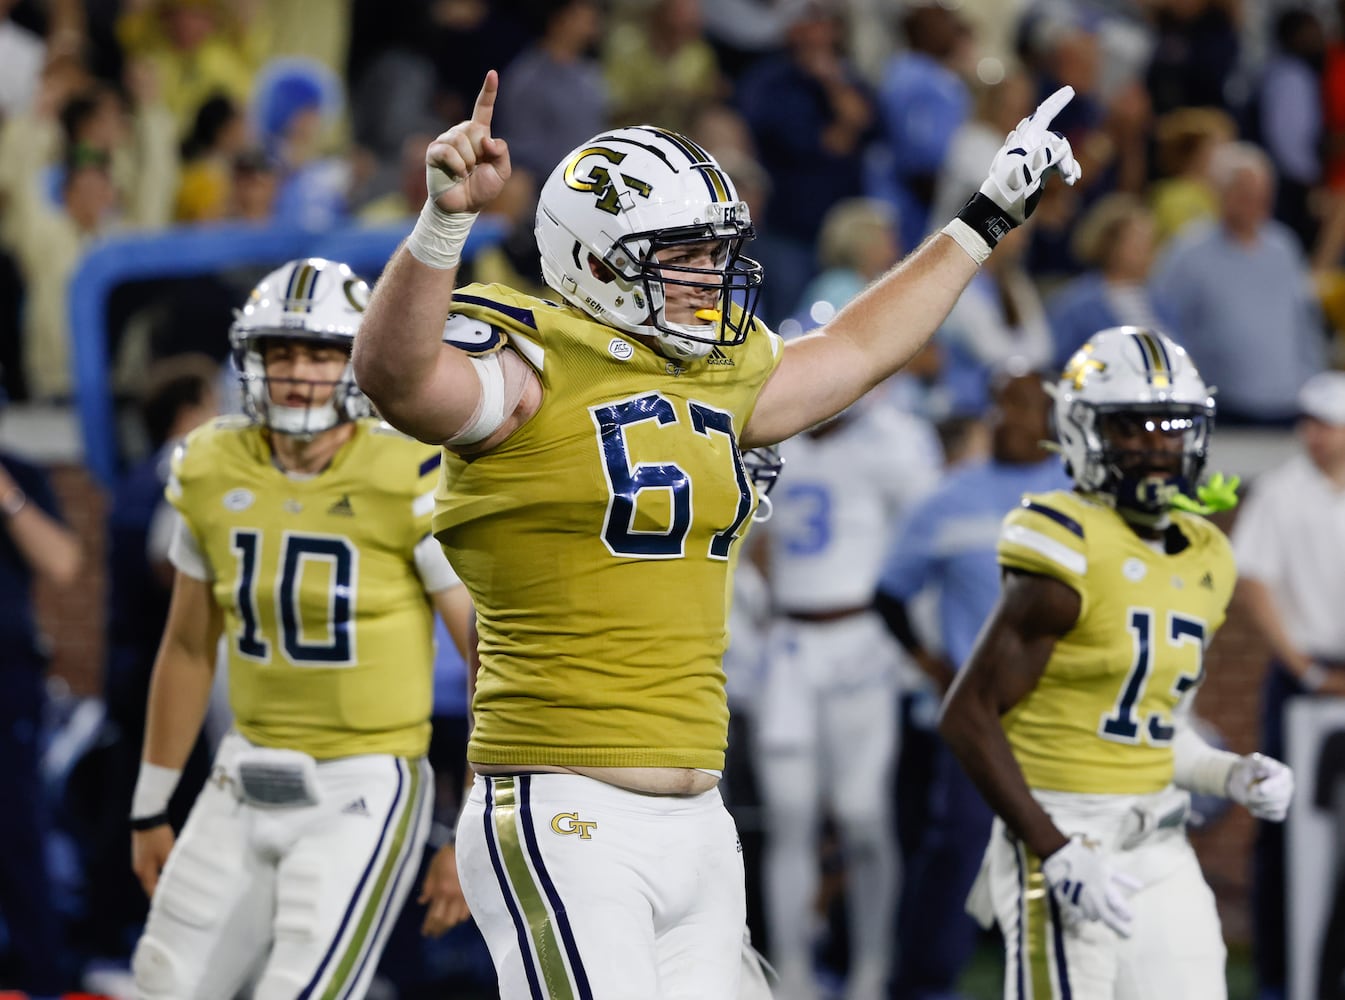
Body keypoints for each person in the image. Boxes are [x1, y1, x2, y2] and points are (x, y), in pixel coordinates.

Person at [352, 69, 1080, 997]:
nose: (710, 275)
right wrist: (441, 225)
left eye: (713, 250)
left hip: (700, 815)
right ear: (598, 261)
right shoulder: (526, 358)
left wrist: (983, 220)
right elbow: (397, 378)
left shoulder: (717, 368)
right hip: (563, 805)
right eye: (683, 254)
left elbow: (857, 349)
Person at [128, 257, 473, 999]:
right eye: (279, 352)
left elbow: (491, 655)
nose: (297, 373)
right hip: (242, 766)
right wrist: (151, 802)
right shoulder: (212, 463)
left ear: (357, 361)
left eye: (320, 353)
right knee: (162, 982)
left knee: (299, 990)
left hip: (364, 778)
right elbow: (188, 648)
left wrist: (476, 823)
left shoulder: (409, 472)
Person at [939, 326, 1296, 999]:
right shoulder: (1061, 541)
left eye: (1171, 426)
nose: (1157, 446)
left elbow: (1154, 730)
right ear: (1082, 431)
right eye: (1132, 427)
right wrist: (1055, 848)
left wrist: (1229, 773)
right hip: (1064, 834)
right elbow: (967, 716)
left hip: (1160, 841)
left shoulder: (1204, 553)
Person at [877, 365, 1069, 1000]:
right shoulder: (949, 496)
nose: (1006, 420)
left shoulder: (1079, 495)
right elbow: (889, 595)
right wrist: (933, 667)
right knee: (957, 849)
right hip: (980, 710)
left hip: (1064, 706)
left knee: (1073, 844)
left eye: (1021, 408)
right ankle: (923, 985)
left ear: (1052, 420)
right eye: (1000, 407)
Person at [752, 398, 939, 1000]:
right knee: (789, 818)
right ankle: (794, 977)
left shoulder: (890, 441)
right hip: (787, 645)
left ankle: (870, 972)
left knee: (862, 816)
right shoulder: (774, 440)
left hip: (861, 642)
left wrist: (919, 646)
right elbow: (736, 540)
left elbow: (921, 543)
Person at [1229, 369, 1345, 999]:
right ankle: (1279, 975)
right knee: (1281, 820)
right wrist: (1307, 670)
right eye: (1310, 422)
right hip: (1301, 678)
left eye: (1326, 423)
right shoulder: (1281, 489)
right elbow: (1256, 585)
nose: (1314, 435)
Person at [0, 381, 83, 994]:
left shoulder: (21, 473)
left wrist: (7, 499)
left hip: (7, 683)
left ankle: (40, 980)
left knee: (16, 836)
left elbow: (62, 564)